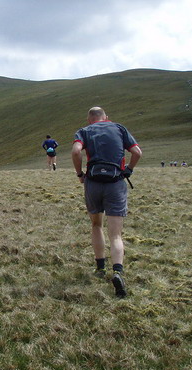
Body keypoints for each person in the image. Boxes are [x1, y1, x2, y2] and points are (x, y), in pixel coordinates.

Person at [71, 107, 142, 298]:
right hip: (115, 182)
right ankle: (117, 271)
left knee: (96, 225)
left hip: (93, 183)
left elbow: (76, 151)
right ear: (106, 118)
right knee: (116, 234)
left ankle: (100, 267)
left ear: (89, 120)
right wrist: (128, 170)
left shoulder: (84, 132)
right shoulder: (119, 128)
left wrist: (80, 174)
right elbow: (137, 152)